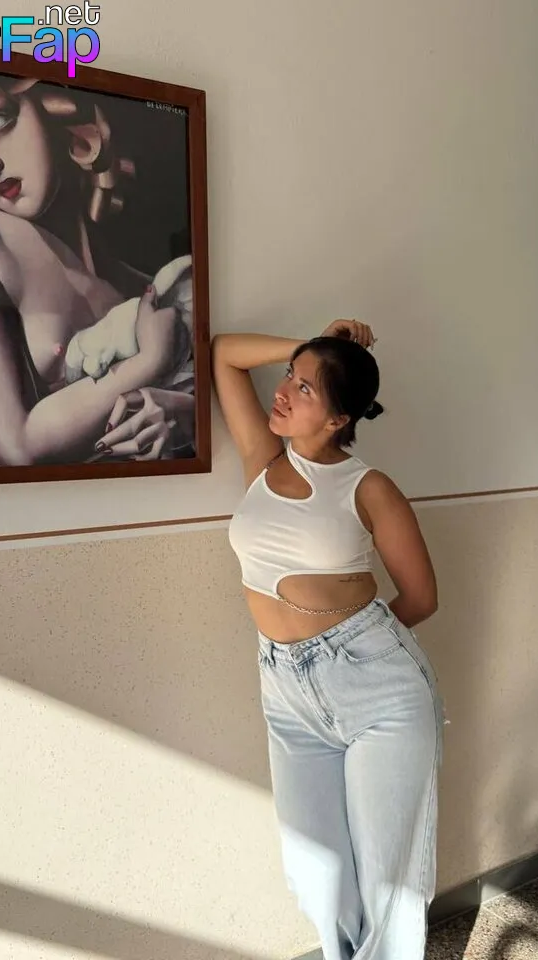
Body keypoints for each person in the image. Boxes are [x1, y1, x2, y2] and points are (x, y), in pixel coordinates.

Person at [212, 319, 444, 960]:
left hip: (379, 693)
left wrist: (347, 647)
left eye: (306, 388)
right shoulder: (264, 460)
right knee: (317, 876)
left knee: (388, 882)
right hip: (285, 691)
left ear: (340, 419)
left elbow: (421, 597)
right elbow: (225, 356)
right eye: (290, 377)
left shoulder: (369, 488)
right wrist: (309, 347)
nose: (284, 390)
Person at [0, 61, 195, 467]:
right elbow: (18, 449)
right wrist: (150, 362)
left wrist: (185, 413)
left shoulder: (138, 285)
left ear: (53, 107)